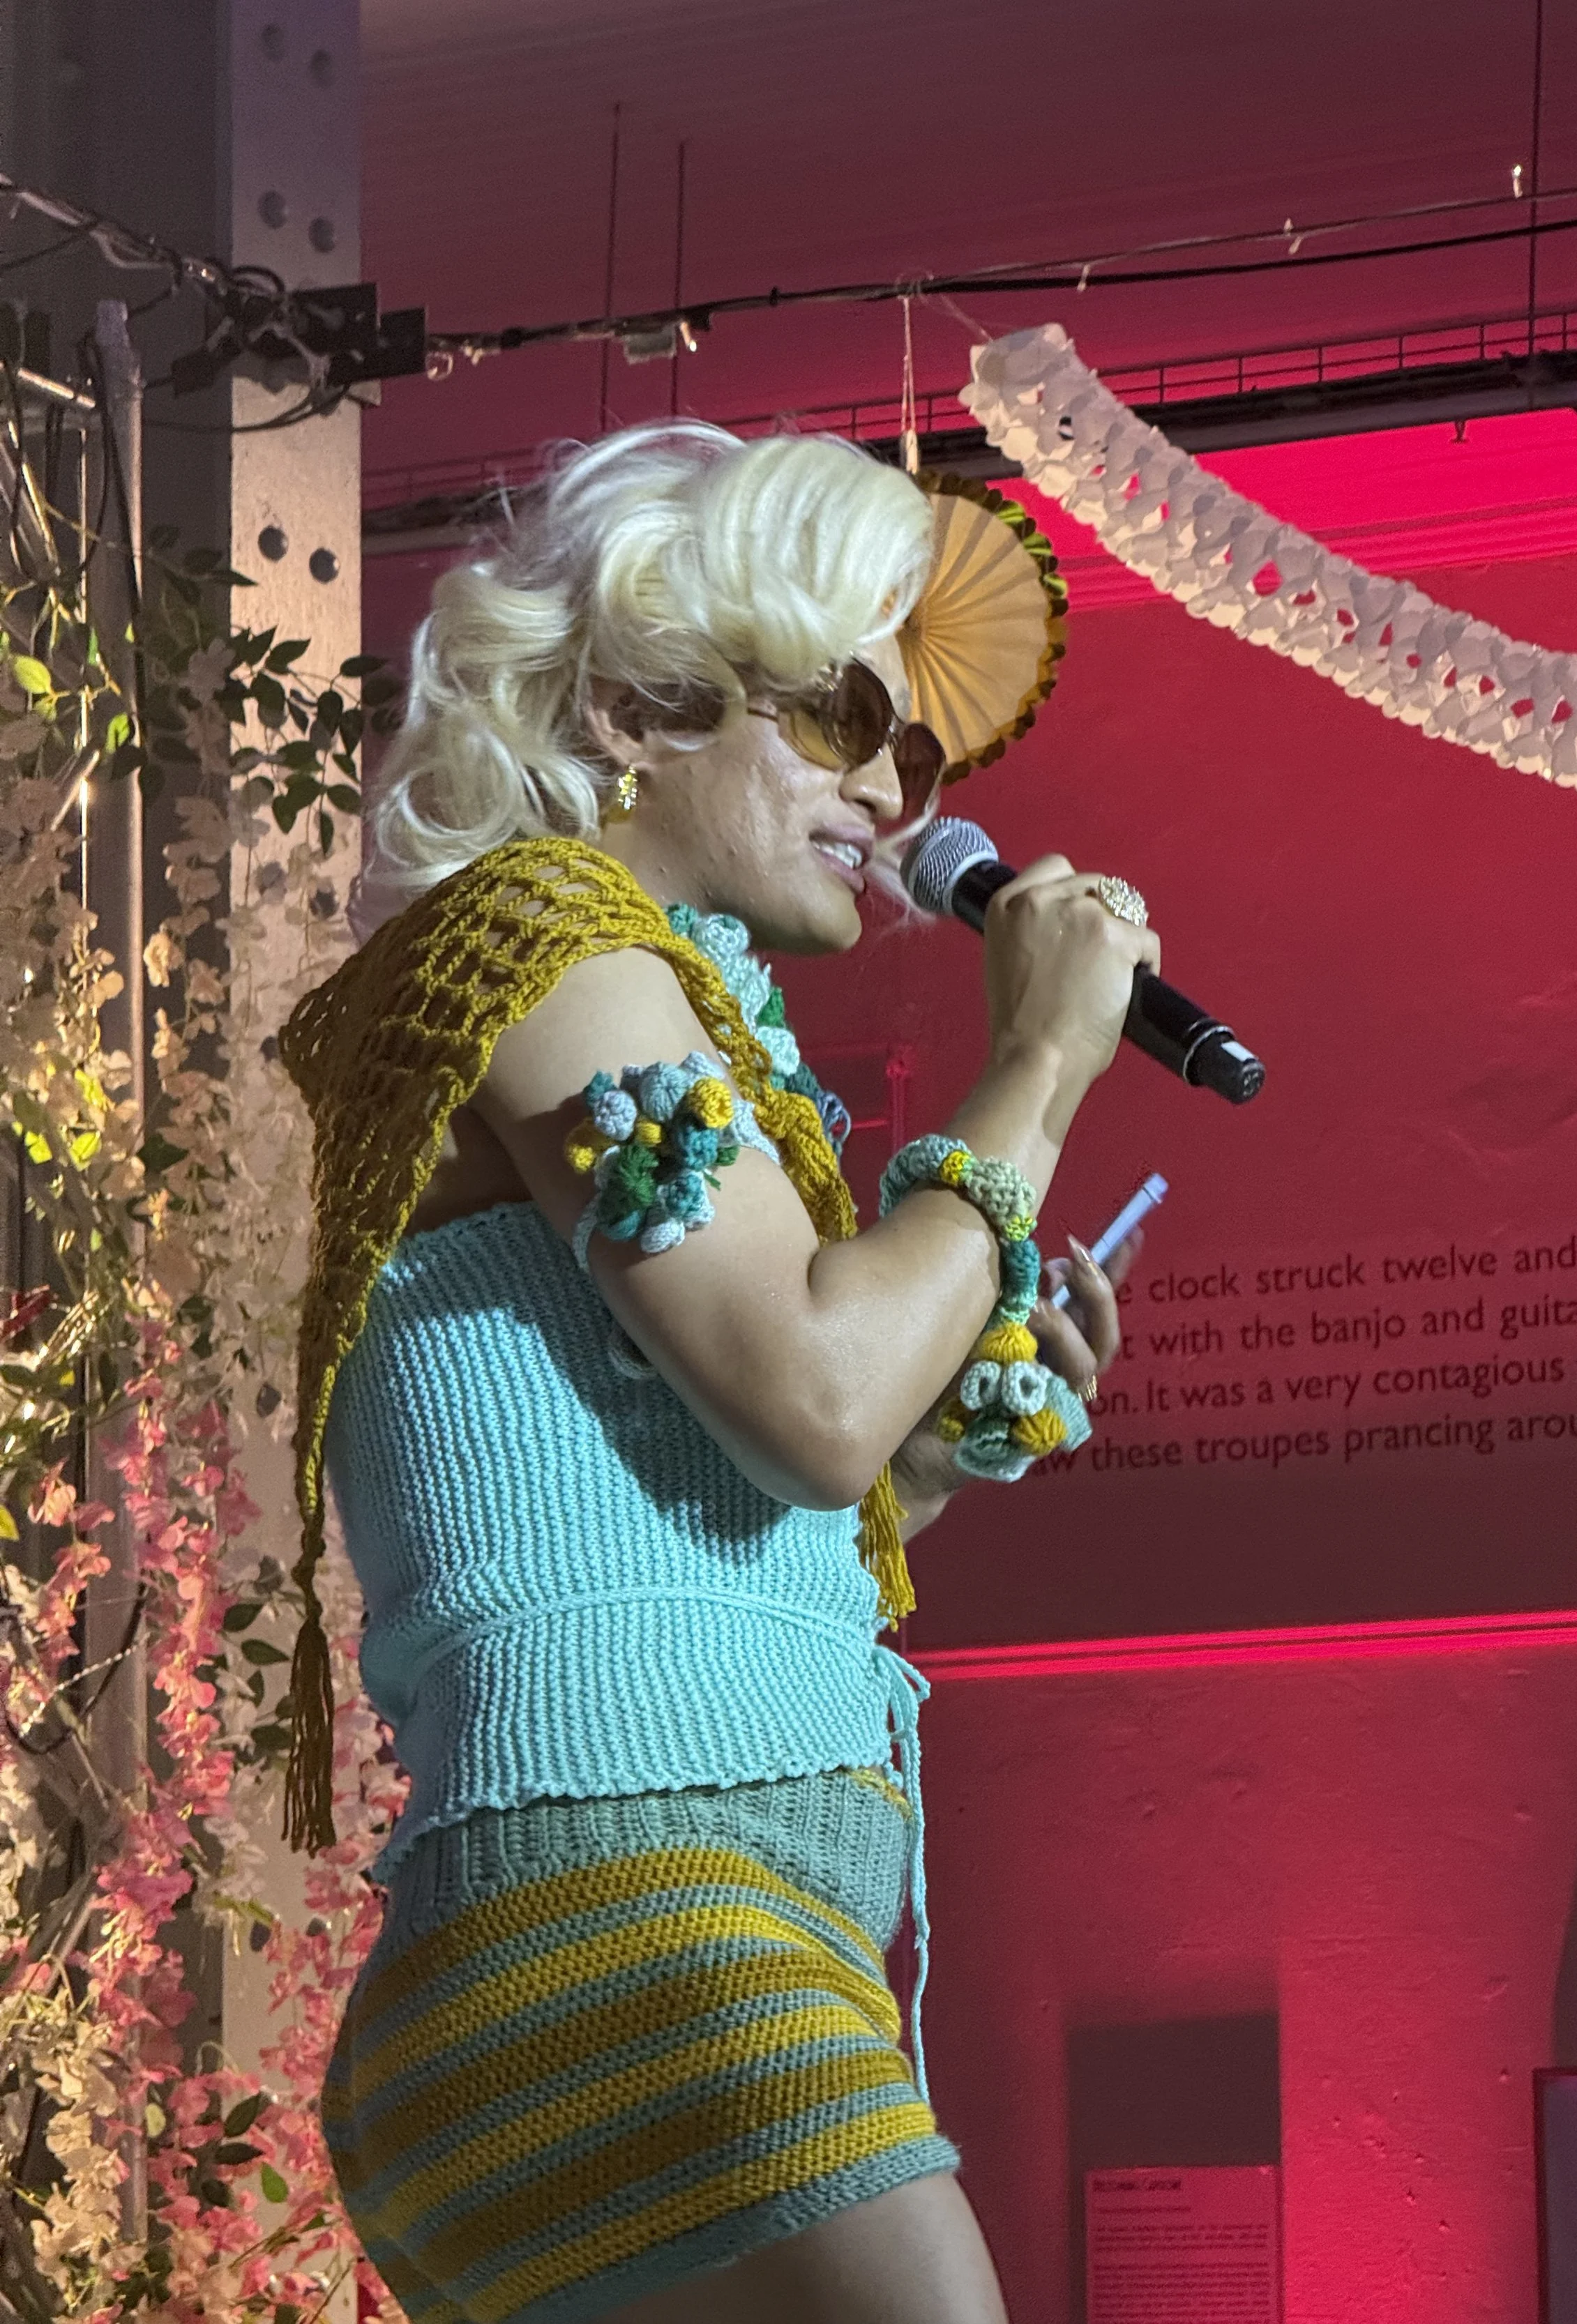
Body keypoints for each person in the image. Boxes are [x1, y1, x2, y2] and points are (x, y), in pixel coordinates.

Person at [281, 420, 1157, 2323]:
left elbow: (770, 1476)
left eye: (920, 753)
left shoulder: (631, 996)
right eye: (846, 716)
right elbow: (815, 1400)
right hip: (634, 1908)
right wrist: (1045, 1063)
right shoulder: (534, 942)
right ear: (636, 704)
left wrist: (940, 1456)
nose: (898, 790)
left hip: (662, 1912)